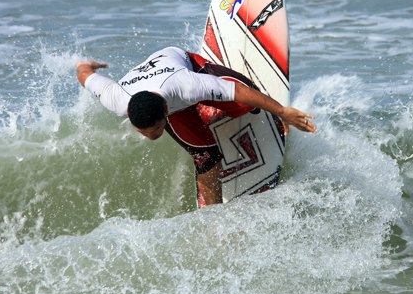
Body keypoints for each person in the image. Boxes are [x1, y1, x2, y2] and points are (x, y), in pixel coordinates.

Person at [76, 46, 316, 207]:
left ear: (165, 113)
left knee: (248, 105)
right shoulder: (116, 99)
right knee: (206, 157)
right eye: (145, 133)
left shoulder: (188, 84)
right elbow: (85, 75)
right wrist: (86, 65)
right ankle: (213, 218)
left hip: (182, 64)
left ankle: (207, 107)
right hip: (163, 98)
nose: (152, 138)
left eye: (156, 131)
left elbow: (239, 91)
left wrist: (282, 112)